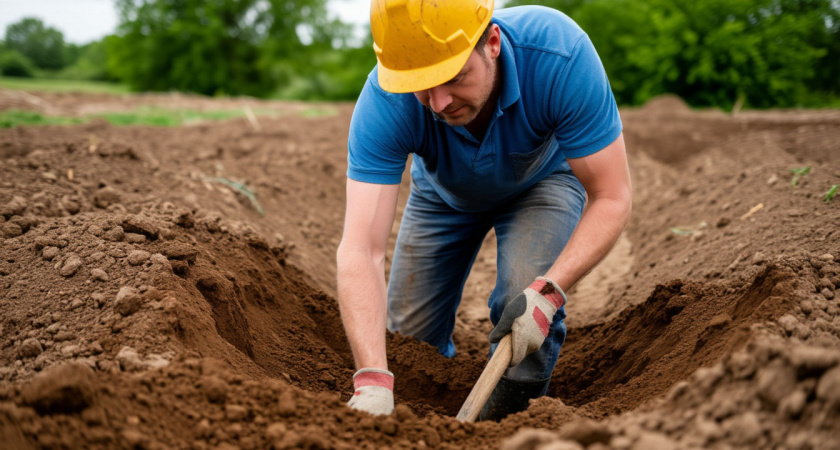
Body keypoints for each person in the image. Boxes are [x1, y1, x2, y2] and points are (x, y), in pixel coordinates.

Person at [336, 0, 631, 421]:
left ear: (492, 43)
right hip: (442, 195)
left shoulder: (559, 55)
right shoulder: (389, 96)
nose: (438, 102)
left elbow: (612, 196)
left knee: (522, 309)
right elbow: (360, 250)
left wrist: (548, 295)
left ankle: (507, 425)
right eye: (422, 86)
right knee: (409, 345)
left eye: (454, 78)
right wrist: (372, 379)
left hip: (541, 184)